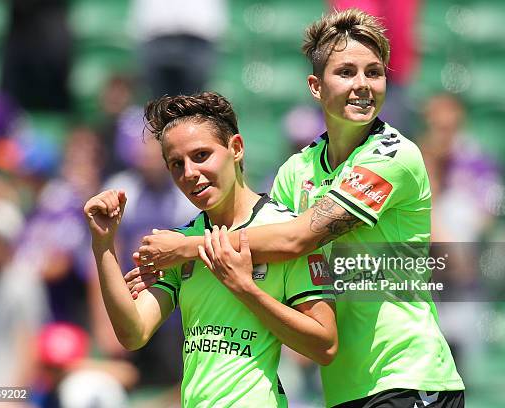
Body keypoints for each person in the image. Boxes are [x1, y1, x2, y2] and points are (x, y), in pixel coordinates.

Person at [128, 9, 465, 408]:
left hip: (407, 372)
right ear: (316, 86)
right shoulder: (296, 170)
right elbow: (266, 252)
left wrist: (186, 249)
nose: (362, 85)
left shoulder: (394, 156)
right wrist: (169, 273)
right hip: (345, 387)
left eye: (374, 73)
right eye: (346, 72)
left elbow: (296, 239)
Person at [84, 92, 337, 407]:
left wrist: (245, 288)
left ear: (236, 148)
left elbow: (324, 345)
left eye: (201, 155)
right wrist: (103, 244)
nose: (189, 173)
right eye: (176, 164)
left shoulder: (282, 233)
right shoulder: (179, 244)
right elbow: (133, 333)